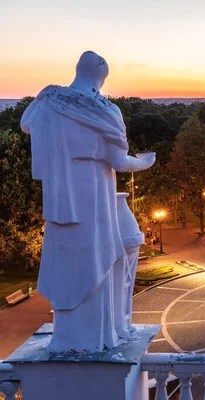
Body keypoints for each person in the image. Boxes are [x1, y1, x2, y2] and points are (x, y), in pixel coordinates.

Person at [20, 51, 155, 352]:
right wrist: (145, 162)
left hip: (61, 194)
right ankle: (96, 336)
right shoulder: (106, 110)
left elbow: (27, 124)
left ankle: (69, 336)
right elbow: (119, 161)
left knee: (69, 257)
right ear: (101, 78)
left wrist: (43, 95)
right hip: (93, 191)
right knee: (94, 255)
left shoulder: (50, 99)